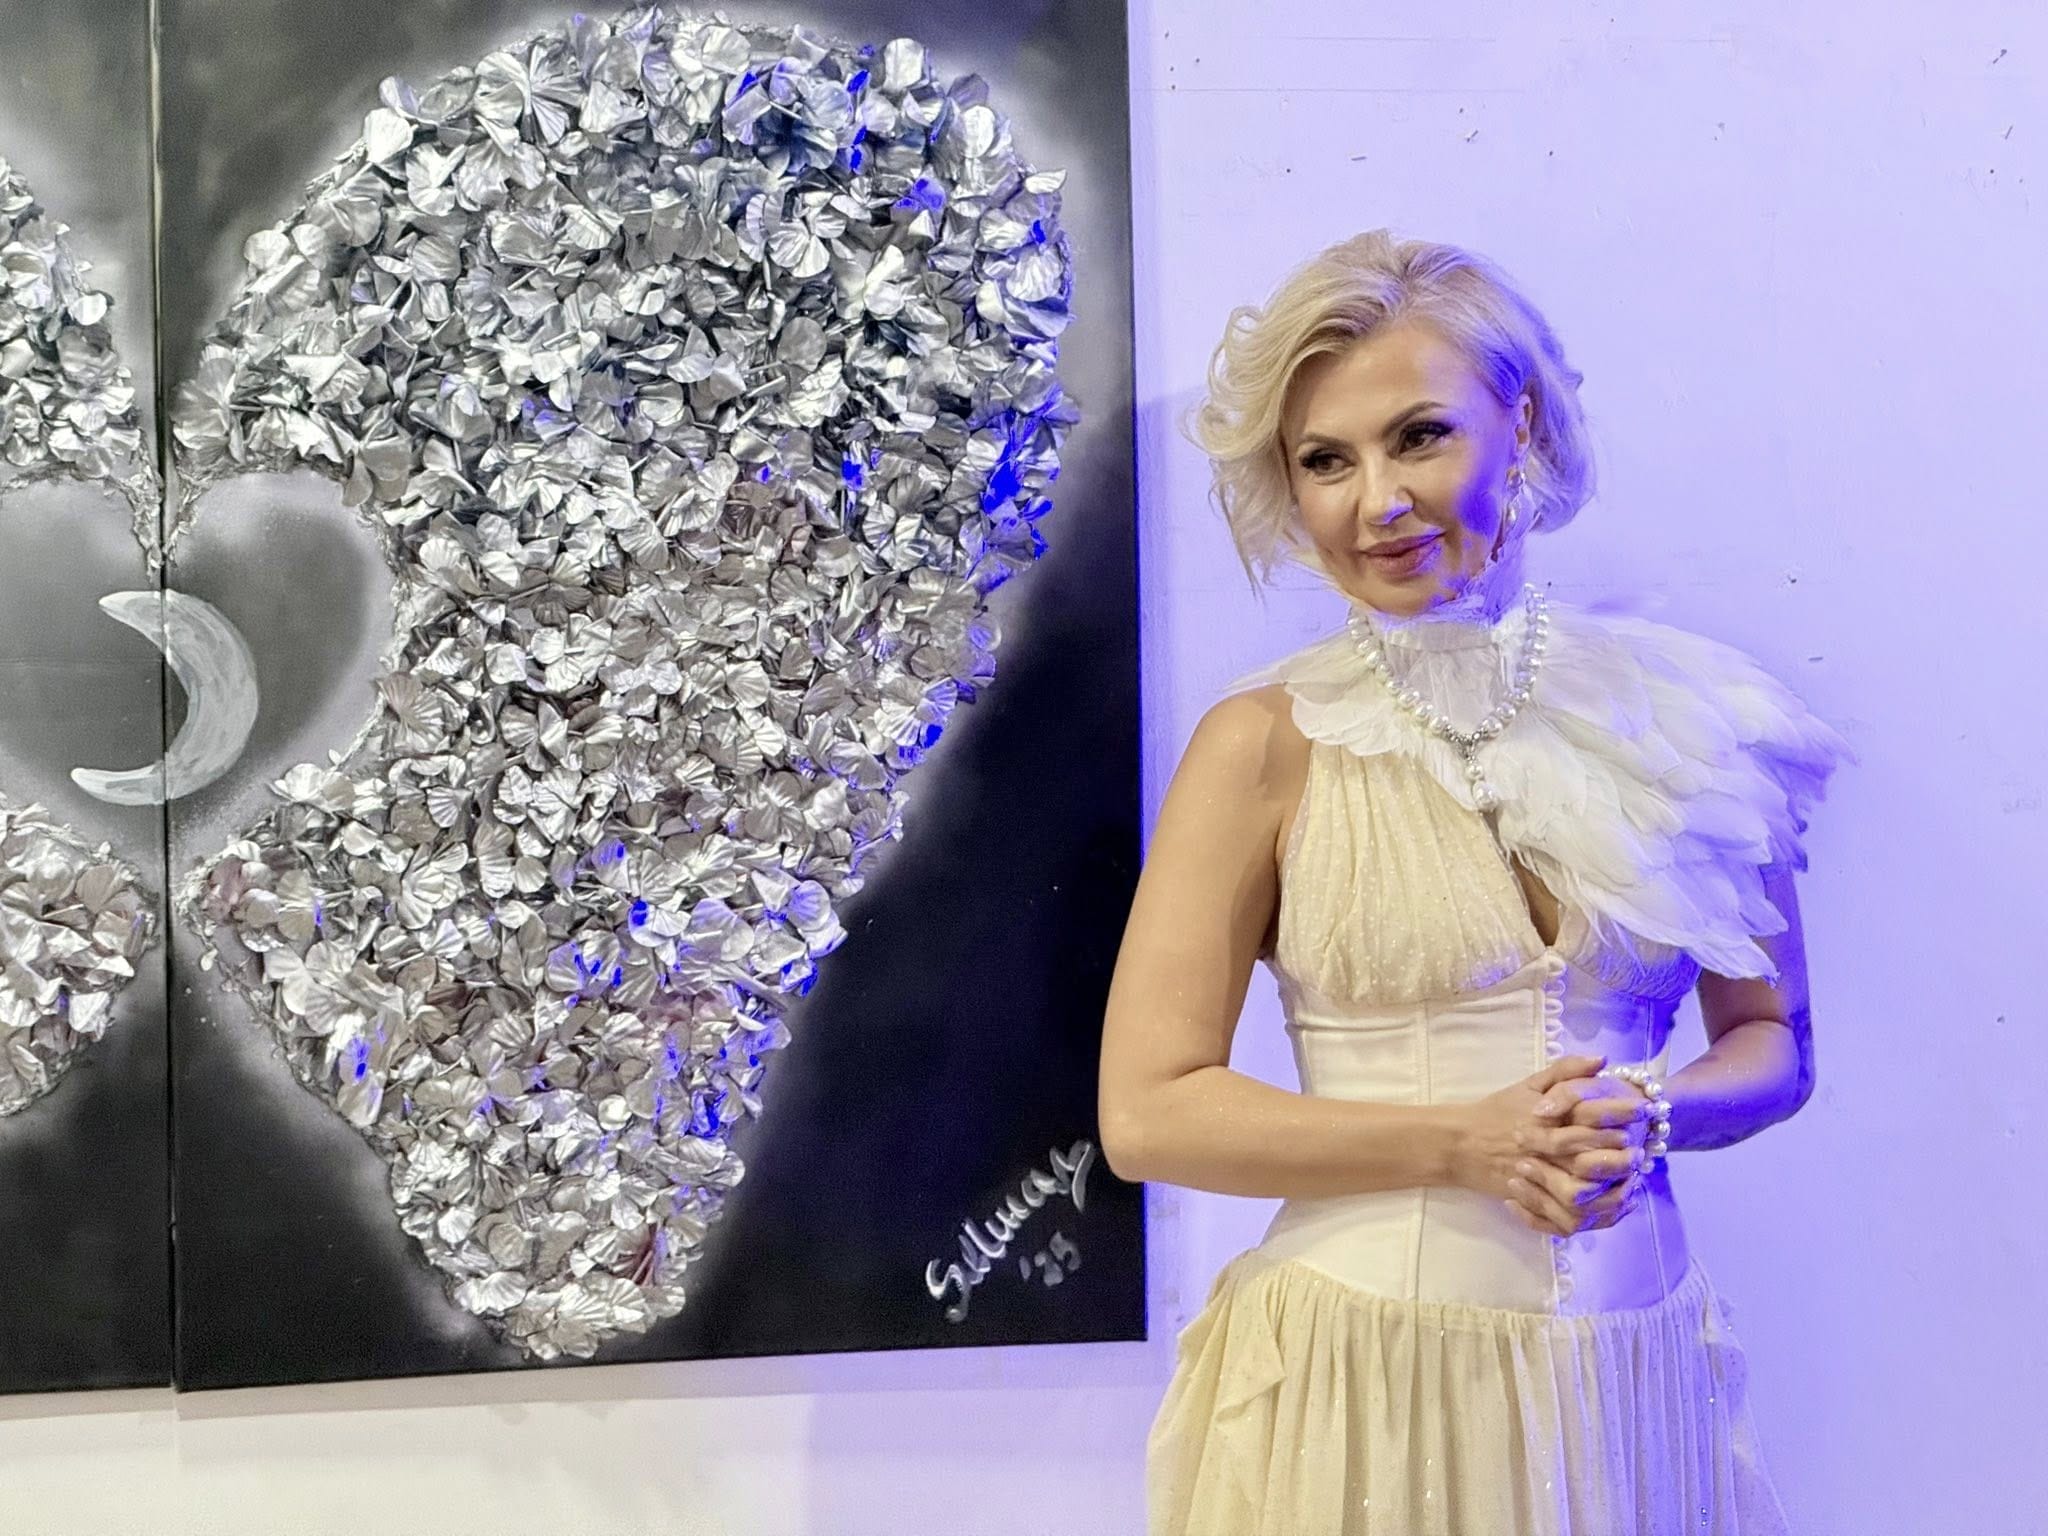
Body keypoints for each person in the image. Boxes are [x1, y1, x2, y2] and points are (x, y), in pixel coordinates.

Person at [1098, 230, 1850, 1535]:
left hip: (1634, 1382)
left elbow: (1773, 1044)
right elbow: (1149, 1111)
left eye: (1420, 437)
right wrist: (1463, 1143)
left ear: (1523, 423)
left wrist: (1651, 1113)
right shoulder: (1260, 745)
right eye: (1326, 460)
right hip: (1363, 1388)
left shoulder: (1694, 719)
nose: (1376, 502)